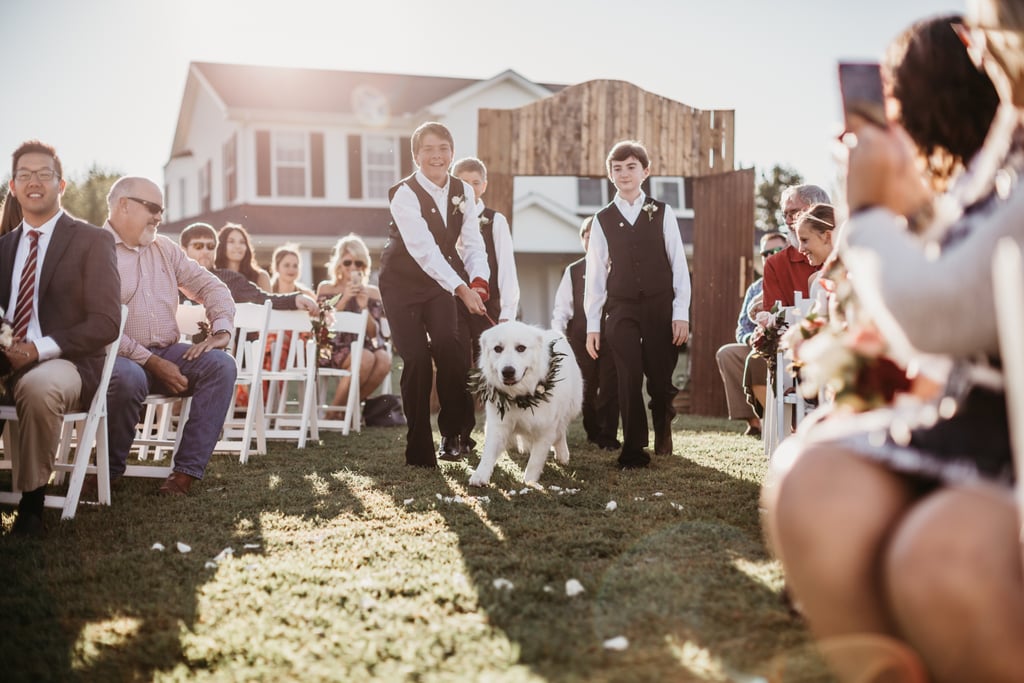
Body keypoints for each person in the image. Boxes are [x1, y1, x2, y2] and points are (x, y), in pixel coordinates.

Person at [762, 4, 1024, 681]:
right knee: (814, 485)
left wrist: (873, 213)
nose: (981, 43)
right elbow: (958, 251)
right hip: (979, 413)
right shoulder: (1009, 138)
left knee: (940, 555)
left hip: (1008, 425)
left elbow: (944, 311)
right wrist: (897, 200)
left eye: (995, 26)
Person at [0, 141, 120, 537]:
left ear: (61, 184)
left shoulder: (91, 241)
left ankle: (32, 504)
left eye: (44, 174)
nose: (34, 182)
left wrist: (37, 349)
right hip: (4, 358)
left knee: (38, 386)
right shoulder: (2, 249)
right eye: (24, 175)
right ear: (13, 188)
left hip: (66, 362)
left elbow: (105, 323)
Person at [104, 177, 237, 496]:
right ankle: (105, 472)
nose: (159, 217)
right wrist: (151, 363)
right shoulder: (95, 248)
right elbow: (101, 327)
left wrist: (221, 329)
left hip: (166, 354)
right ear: (124, 205)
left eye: (161, 210)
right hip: (114, 358)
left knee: (222, 365)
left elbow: (212, 287)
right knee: (130, 377)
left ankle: (185, 474)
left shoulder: (164, 248)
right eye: (152, 208)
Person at [378, 121, 489, 467]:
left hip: (440, 282)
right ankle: (418, 446)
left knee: (451, 348)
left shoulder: (463, 191)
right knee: (417, 360)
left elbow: (472, 242)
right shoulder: (404, 193)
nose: (436, 156)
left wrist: (479, 282)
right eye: (428, 150)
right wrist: (459, 287)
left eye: (443, 148)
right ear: (416, 156)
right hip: (401, 283)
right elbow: (423, 249)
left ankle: (453, 434)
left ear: (452, 153)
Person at [584, 140, 690, 468]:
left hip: (660, 305)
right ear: (610, 175)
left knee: (659, 379)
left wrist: (680, 312)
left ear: (645, 171)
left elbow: (679, 266)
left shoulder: (662, 212)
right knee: (628, 375)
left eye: (631, 167)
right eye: (617, 168)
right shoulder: (602, 219)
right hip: (621, 307)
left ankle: (662, 424)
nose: (624, 173)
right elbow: (596, 274)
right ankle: (633, 449)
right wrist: (592, 324)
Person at [552, 216, 619, 450]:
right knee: (586, 386)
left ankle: (609, 435)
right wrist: (558, 339)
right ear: (582, 240)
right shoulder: (573, 271)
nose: (592, 242)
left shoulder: (618, 268)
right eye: (587, 237)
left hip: (613, 337)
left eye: (596, 238)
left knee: (612, 386)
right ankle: (593, 431)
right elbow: (561, 310)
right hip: (581, 340)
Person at [715, 231, 788, 437]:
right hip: (759, 344)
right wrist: (752, 339)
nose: (771, 256)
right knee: (726, 353)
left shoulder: (792, 279)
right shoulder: (755, 288)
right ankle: (754, 421)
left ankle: (776, 419)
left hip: (787, 344)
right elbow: (742, 328)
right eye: (766, 253)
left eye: (777, 251)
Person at [452, 156, 520, 360]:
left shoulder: (495, 221)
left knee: (488, 365)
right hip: (453, 305)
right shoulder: (447, 220)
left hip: (487, 305)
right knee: (457, 361)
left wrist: (507, 313)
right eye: (464, 183)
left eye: (475, 183)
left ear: (484, 186)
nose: (470, 189)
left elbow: (507, 267)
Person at [315, 234, 392, 407]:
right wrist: (343, 299)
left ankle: (347, 410)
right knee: (364, 357)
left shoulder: (372, 293)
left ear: (364, 267)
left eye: (358, 263)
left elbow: (374, 335)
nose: (352, 267)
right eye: (348, 262)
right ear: (339, 264)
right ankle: (335, 411)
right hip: (330, 347)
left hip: (363, 346)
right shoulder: (326, 288)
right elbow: (322, 324)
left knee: (384, 359)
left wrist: (364, 307)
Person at [180, 223, 317, 312]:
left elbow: (263, 298)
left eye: (210, 246)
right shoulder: (170, 280)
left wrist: (295, 299)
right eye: (198, 246)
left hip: (225, 351)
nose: (205, 251)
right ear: (183, 249)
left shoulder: (230, 279)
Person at [761, 184, 830, 309]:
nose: (787, 221)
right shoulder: (776, 265)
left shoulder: (851, 258)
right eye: (784, 215)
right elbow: (774, 323)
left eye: (794, 213)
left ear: (818, 212)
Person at [792, 203, 836, 305]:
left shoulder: (856, 275)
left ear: (827, 236)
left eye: (804, 240)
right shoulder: (814, 280)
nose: (800, 249)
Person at [215, 223, 271, 291]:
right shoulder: (213, 276)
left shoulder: (261, 277)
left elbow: (270, 300)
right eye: (231, 241)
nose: (238, 246)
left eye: (242, 242)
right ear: (221, 245)